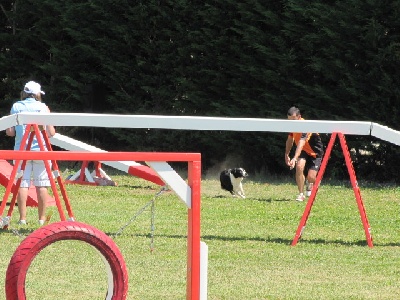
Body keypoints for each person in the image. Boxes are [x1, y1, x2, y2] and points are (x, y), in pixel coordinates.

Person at [6, 81, 56, 225]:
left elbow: (10, 132)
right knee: (42, 184)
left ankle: (22, 219)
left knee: (22, 184)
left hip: (21, 151)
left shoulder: (16, 106)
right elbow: (51, 132)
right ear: (37, 94)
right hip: (41, 151)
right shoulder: (43, 107)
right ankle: (41, 219)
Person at [285, 106, 324, 201]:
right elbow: (290, 139)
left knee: (311, 177)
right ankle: (301, 194)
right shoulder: (292, 126)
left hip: (315, 152)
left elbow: (301, 142)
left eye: (294, 120)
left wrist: (294, 158)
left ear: (299, 117)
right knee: (299, 167)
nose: (292, 123)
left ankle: (311, 183)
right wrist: (286, 154)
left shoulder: (306, 126)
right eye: (290, 120)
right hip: (303, 150)